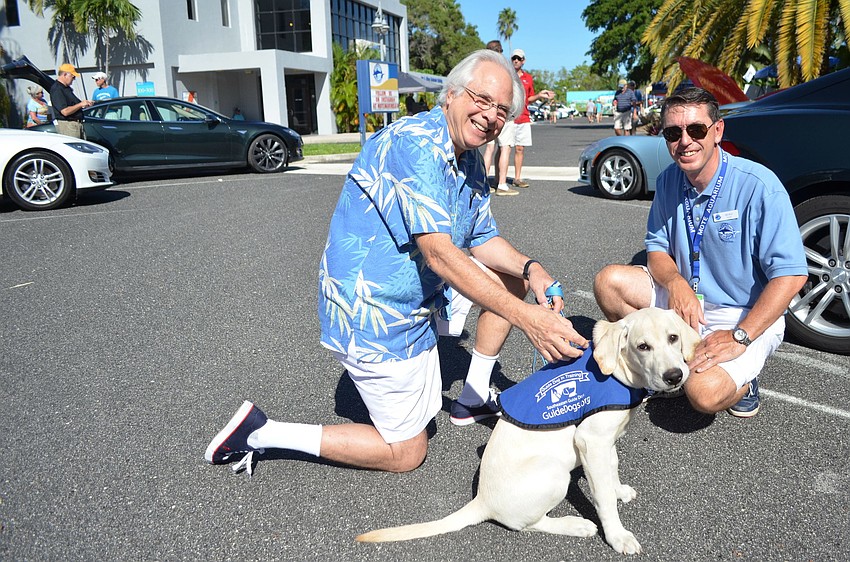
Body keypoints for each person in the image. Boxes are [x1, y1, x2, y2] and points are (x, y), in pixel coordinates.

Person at [205, 49, 588, 476]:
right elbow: (440, 254)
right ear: (451, 94)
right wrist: (529, 320)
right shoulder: (415, 144)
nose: (490, 115)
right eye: (481, 99)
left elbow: (481, 236)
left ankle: (473, 399)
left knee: (507, 282)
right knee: (407, 452)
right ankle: (260, 432)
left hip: (415, 307)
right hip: (373, 312)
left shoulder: (469, 157)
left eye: (502, 110)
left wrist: (532, 268)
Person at [593, 87, 807, 419]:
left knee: (703, 395)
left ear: (717, 131)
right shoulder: (668, 181)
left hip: (742, 313)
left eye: (696, 129)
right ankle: (660, 369)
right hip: (686, 301)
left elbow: (792, 275)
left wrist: (740, 336)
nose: (685, 141)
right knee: (609, 283)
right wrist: (676, 284)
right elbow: (657, 251)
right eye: (673, 132)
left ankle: (745, 382)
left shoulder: (759, 186)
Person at [494, 49, 553, 195]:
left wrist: (540, 95)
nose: (515, 61)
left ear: (523, 61)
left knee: (520, 148)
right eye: (513, 58)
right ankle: (498, 179)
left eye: (518, 59)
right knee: (503, 147)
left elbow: (529, 98)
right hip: (509, 117)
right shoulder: (507, 75)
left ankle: (517, 178)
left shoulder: (528, 78)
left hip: (524, 116)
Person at [480, 39, 504, 187]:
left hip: (485, 111)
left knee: (489, 148)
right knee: (504, 147)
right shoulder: (501, 68)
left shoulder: (482, 67)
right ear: (499, 51)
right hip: (498, 111)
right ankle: (501, 183)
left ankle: (483, 179)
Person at [49, 63, 93, 138]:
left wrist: (85, 104)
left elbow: (75, 105)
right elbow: (65, 111)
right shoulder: (57, 89)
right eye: (73, 77)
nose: (74, 79)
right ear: (65, 74)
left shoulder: (66, 89)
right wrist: (80, 105)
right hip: (68, 126)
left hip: (76, 124)